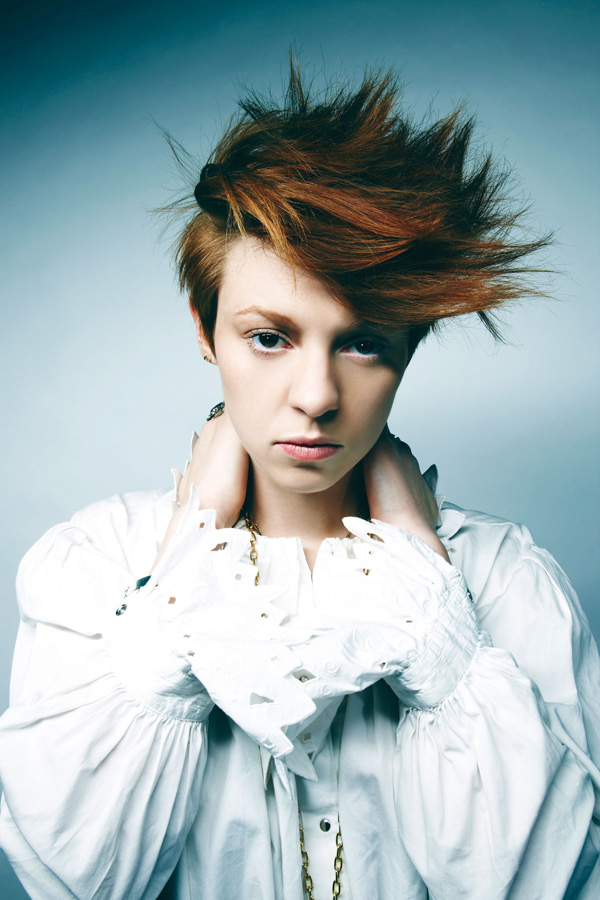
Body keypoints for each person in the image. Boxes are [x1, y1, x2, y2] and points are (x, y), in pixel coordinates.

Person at [0, 63, 598, 900]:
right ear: (205, 331)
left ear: (409, 351)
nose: (316, 397)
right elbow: (78, 881)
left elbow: (550, 883)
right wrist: (184, 564)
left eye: (363, 342)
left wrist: (434, 606)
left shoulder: (501, 579)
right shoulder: (100, 565)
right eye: (270, 338)